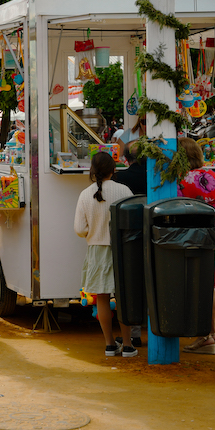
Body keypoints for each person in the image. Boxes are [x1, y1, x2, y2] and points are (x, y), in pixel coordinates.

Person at [74, 151, 136, 357]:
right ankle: (128, 345)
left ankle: (110, 344)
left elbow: (79, 229)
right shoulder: (125, 190)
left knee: (102, 297)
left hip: (97, 251)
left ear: (92, 171)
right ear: (113, 169)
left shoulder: (85, 194)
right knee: (123, 298)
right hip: (122, 250)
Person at [178, 137, 215, 355]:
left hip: (192, 239)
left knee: (195, 287)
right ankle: (213, 333)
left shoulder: (182, 180)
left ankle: (204, 336)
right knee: (208, 287)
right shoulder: (214, 176)